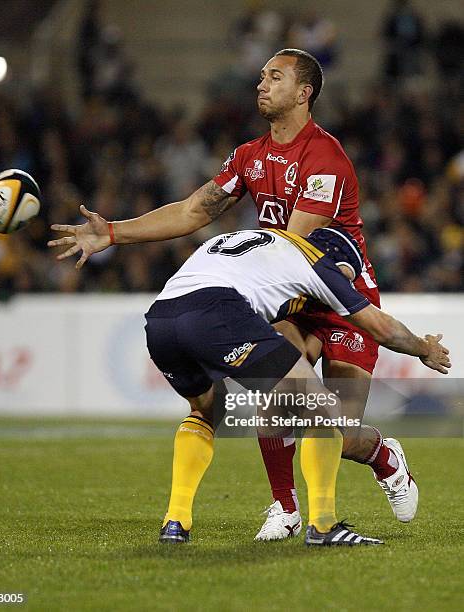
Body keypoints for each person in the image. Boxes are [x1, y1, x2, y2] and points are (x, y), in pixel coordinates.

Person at [48, 48, 418, 541]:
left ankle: (382, 454)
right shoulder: (249, 156)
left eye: (275, 77)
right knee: (279, 400)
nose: (261, 84)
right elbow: (192, 211)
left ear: (304, 93)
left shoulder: (325, 158)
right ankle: (286, 508)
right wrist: (112, 232)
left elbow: (293, 248)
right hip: (290, 298)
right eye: (262, 75)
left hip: (341, 299)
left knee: (337, 430)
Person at [142, 227, 449, 545]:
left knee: (208, 409)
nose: (345, 281)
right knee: (324, 408)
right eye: (346, 274)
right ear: (336, 262)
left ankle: (176, 521)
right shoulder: (318, 263)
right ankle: (323, 526)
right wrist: (425, 349)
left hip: (162, 322)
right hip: (217, 312)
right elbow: (383, 329)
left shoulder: (261, 240)